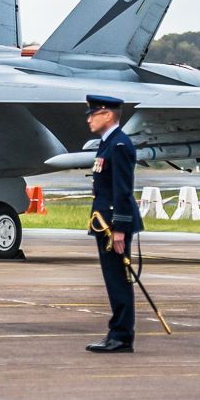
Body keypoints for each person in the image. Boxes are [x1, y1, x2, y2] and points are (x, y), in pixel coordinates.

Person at [84, 95, 143, 354]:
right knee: (114, 279)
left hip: (113, 226)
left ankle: (121, 335)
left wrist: (119, 228)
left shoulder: (118, 145)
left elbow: (122, 190)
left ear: (108, 115)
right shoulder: (107, 144)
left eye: (93, 114)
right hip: (105, 223)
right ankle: (117, 332)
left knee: (118, 280)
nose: (89, 119)